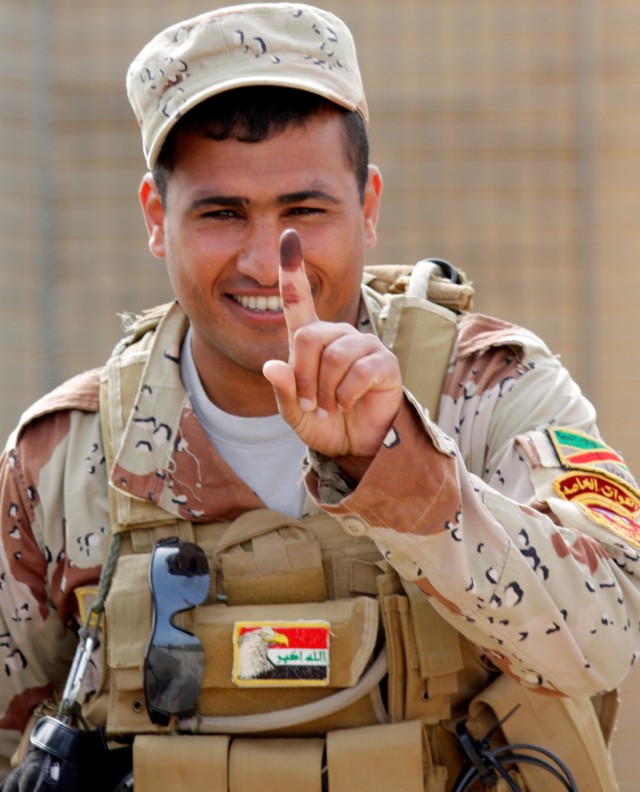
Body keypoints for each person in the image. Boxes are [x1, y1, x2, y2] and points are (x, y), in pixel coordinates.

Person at [0, 3, 638, 790]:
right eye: (222, 213)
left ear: (368, 206)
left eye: (305, 210)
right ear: (156, 218)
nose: (270, 264)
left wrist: (396, 468)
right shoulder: (64, 458)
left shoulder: (490, 389)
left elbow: (609, 640)